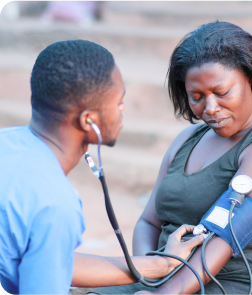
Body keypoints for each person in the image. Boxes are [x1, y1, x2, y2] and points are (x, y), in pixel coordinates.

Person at [89, 21, 252, 295]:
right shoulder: (187, 140)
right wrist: (150, 274)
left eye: (222, 93)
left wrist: (163, 293)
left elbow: (223, 237)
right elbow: (149, 222)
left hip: (244, 284)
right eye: (196, 96)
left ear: (251, 79)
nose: (210, 108)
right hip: (169, 277)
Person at [0, 40, 206, 295]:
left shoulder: (6, 143)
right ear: (89, 121)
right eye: (118, 103)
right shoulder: (54, 204)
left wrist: (161, 264)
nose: (123, 112)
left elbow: (53, 259)